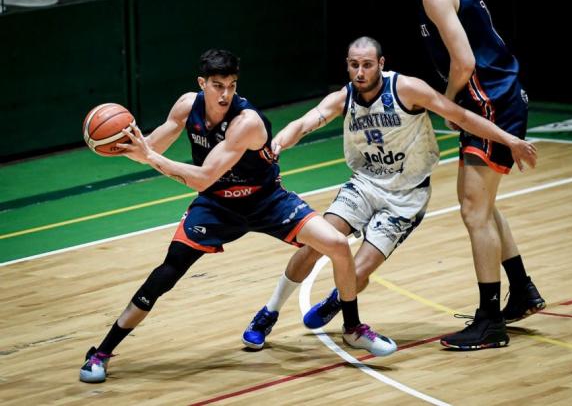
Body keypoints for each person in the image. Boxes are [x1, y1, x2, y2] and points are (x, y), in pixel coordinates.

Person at [79, 49, 397, 384]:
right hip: (217, 206)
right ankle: (101, 353)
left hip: (266, 200)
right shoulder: (187, 106)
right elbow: (152, 148)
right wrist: (125, 143)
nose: (225, 94)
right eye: (218, 85)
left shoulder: (247, 122)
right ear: (202, 83)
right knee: (166, 274)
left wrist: (148, 157)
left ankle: (352, 328)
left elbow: (202, 176)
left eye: (231, 85)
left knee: (337, 244)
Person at [241, 36, 537, 351]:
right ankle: (268, 313)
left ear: (381, 64)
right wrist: (277, 144)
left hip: (405, 198)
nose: (360, 72)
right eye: (354, 65)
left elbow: (461, 117)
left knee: (358, 271)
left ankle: (337, 299)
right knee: (316, 243)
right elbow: (303, 124)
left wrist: (509, 140)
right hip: (364, 185)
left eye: (367, 65)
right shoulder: (343, 98)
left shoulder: (407, 89)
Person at [400, 0, 546, 350]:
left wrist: (448, 102)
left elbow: (463, 61)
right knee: (483, 205)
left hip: (490, 102)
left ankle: (489, 322)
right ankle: (522, 290)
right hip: (501, 96)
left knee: (472, 210)